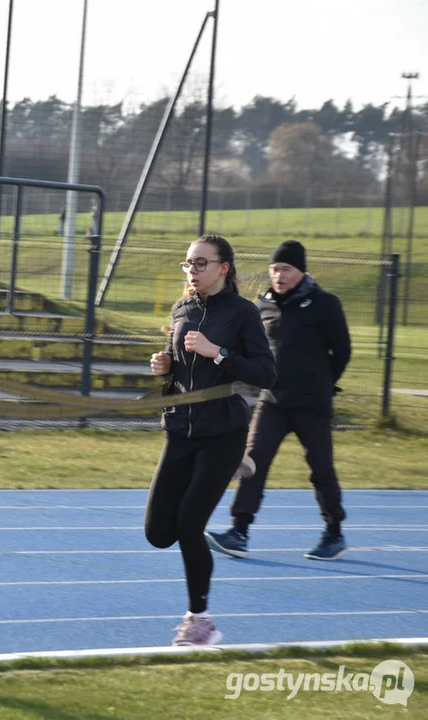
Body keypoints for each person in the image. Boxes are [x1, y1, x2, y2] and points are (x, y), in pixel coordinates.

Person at [146, 234, 276, 646]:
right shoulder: (181, 308)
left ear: (224, 268)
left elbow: (266, 374)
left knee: (189, 526)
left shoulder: (242, 313)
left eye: (201, 263)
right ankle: (229, 471)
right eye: (188, 263)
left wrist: (217, 353)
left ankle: (199, 621)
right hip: (181, 430)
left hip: (223, 432)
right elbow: (178, 370)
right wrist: (163, 366)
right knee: (157, 533)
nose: (193, 271)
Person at [206, 240, 352, 561]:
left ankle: (334, 532)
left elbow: (342, 351)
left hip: (312, 403)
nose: (279, 275)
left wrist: (324, 383)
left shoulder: (325, 304)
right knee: (252, 464)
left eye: (286, 269)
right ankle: (239, 531)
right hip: (273, 401)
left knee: (321, 469)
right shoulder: (264, 306)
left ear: (301, 271)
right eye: (274, 269)